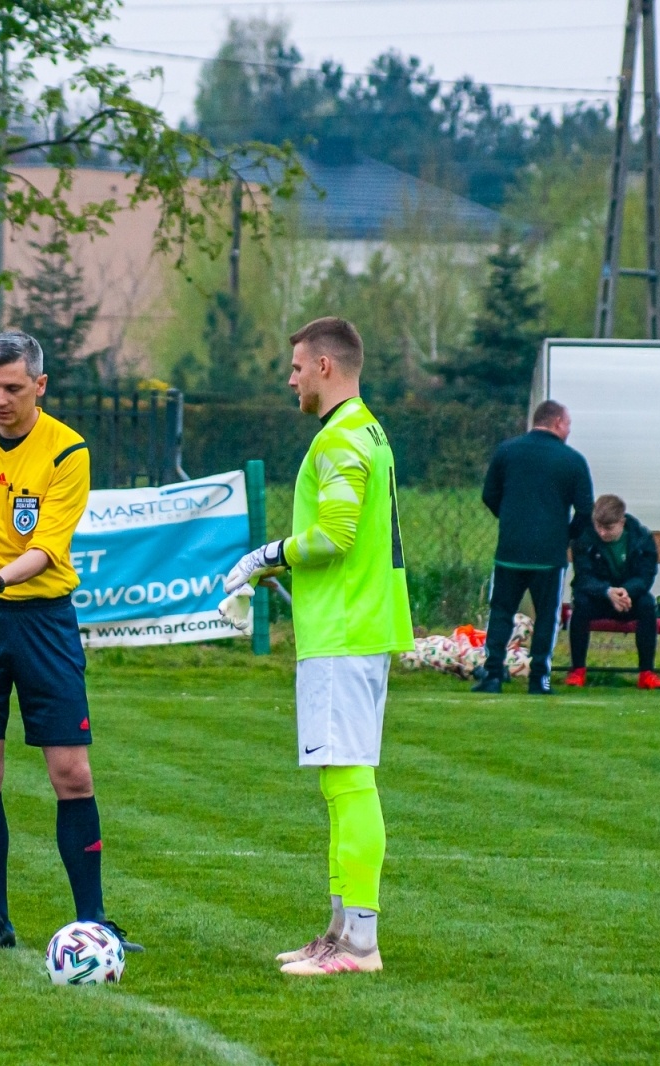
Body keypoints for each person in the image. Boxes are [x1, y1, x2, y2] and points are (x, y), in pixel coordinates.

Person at [0, 329, 139, 955]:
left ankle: (94, 923)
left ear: (39, 386)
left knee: (71, 772)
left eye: (12, 388)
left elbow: (46, 548)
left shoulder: (66, 451)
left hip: (43, 620)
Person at [219, 316, 412, 977]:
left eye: (297, 366)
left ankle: (359, 944)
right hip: (354, 626)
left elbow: (333, 536)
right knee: (342, 781)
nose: (291, 378)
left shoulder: (341, 439)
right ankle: (338, 932)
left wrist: (263, 557)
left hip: (345, 630)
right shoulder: (365, 429)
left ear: (327, 367)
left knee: (351, 782)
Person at [472, 400, 593, 695]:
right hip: (549, 555)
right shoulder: (572, 460)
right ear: (557, 423)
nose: (568, 430)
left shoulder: (507, 451)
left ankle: (492, 676)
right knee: (547, 617)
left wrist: (512, 519)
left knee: (501, 612)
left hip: (510, 550)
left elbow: (489, 494)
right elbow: (586, 511)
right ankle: (540, 679)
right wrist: (565, 535)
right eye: (568, 424)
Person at [564, 494, 660, 689]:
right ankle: (577, 671)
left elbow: (646, 575)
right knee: (581, 604)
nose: (602, 533)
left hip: (628, 599)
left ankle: (647, 673)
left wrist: (626, 591)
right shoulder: (584, 538)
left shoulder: (642, 538)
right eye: (599, 527)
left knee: (646, 604)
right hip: (598, 599)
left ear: (622, 522)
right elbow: (583, 578)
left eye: (608, 528)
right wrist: (607, 591)